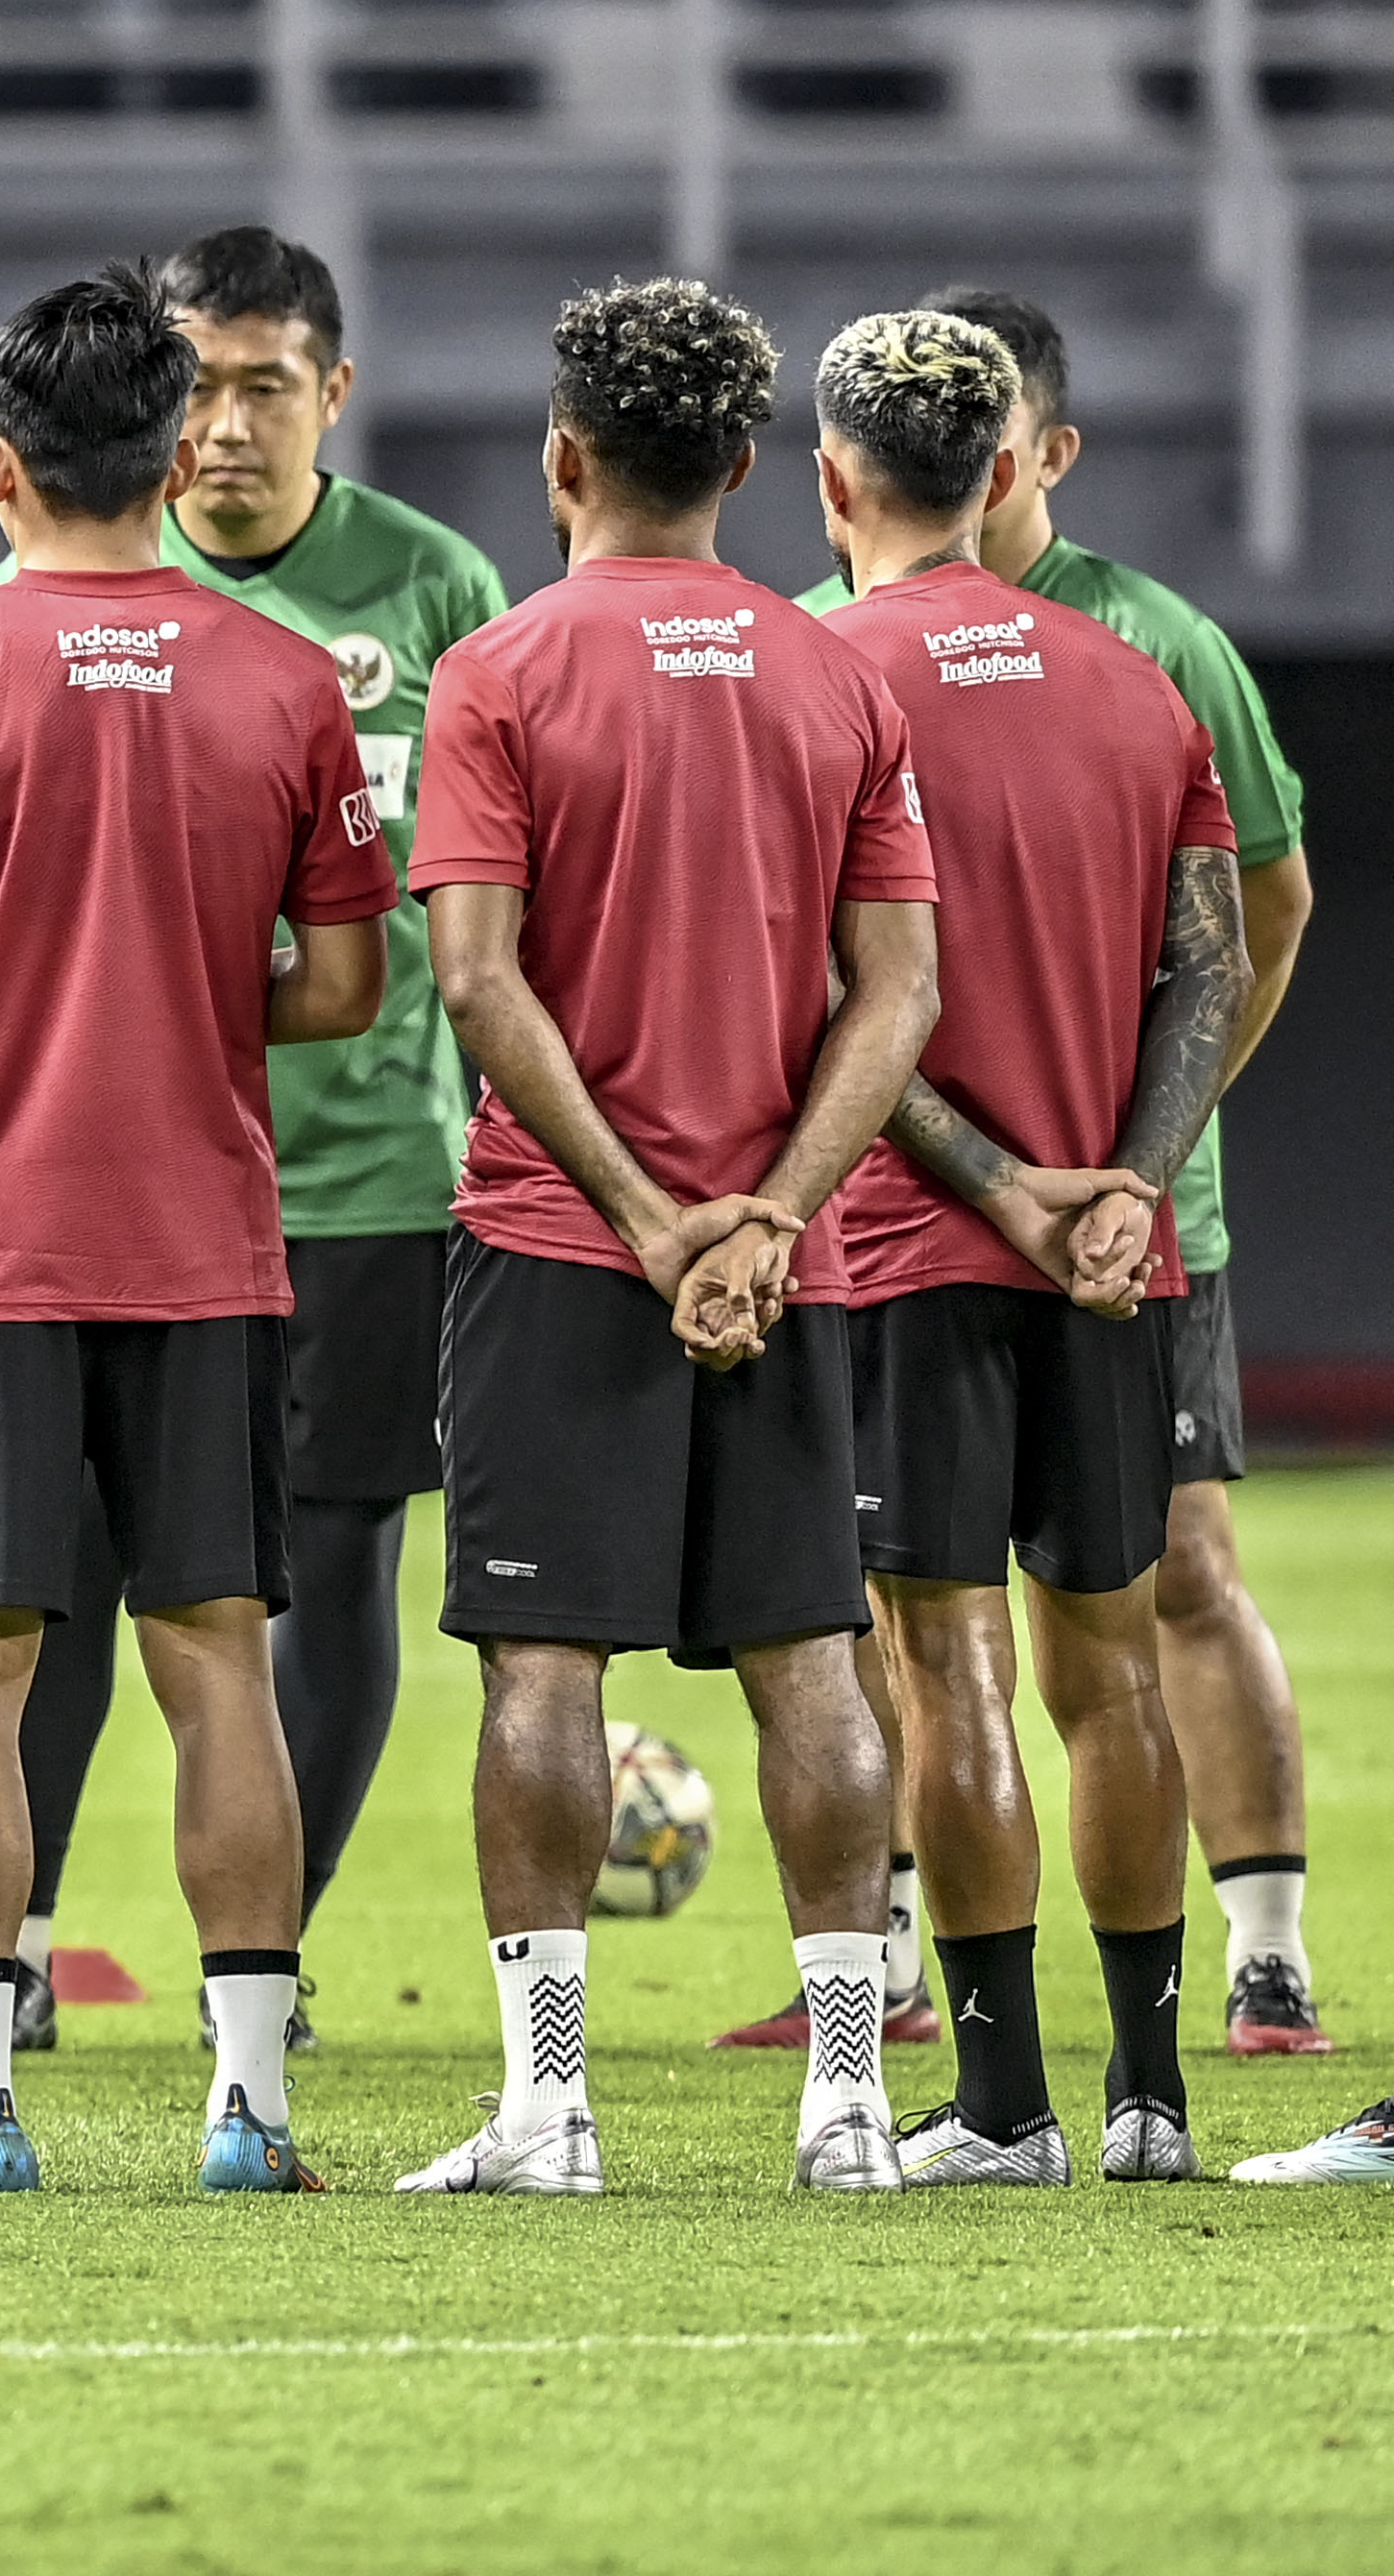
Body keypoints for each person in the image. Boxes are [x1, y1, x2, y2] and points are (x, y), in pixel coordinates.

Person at [0, 268, 403, 2197]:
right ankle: (250, 2107)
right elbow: (348, 986)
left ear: (0, 468)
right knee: (221, 1654)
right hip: (215, 1239)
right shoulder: (290, 680)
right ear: (171, 456)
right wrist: (192, 1011)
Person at [396, 278, 939, 2199]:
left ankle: (551, 2108)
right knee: (814, 1660)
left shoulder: (501, 670)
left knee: (544, 1671)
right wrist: (769, 1215)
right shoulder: (839, 670)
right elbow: (898, 992)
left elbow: (474, 981)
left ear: (563, 460)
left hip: (560, 1240)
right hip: (793, 1266)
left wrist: (641, 1214)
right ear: (744, 466)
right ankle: (854, 2104)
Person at [795, 285, 1326, 2071]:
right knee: (1116, 1661)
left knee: (945, 1669)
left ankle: (1000, 2089)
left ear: (835, 482)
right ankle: (1156, 2082)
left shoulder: (819, 678)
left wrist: (1000, 1184)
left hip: (906, 1243)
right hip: (1122, 1252)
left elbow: (833, 998)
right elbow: (1215, 953)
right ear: (1007, 462)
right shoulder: (1137, 673)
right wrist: (1122, 1184)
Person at [0, 229, 506, 2064]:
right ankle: (25, 1934)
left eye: (262, 385)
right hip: (111, 1177)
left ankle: (267, 1967)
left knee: (338, 1565)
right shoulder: (48, 586)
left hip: (365, 1181)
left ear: (333, 394)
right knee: (42, 1565)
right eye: (195, 384)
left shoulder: (435, 591)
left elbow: (488, 904)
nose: (221, 424)